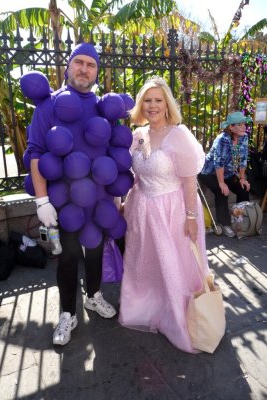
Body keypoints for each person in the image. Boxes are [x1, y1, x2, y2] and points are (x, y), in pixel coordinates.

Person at [27, 43, 118, 347]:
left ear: (96, 71)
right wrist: (41, 201)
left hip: (99, 199)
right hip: (62, 202)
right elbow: (36, 153)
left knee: (94, 250)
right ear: (67, 67)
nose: (83, 69)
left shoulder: (105, 108)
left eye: (90, 65)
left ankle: (93, 296)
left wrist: (115, 196)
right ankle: (68, 313)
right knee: (66, 257)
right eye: (78, 62)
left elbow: (113, 151)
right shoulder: (49, 105)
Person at [118, 76, 209, 353]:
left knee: (173, 264)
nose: (153, 105)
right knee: (145, 264)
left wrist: (192, 217)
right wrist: (121, 203)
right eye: (147, 100)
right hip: (141, 210)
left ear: (167, 104)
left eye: (158, 100)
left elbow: (190, 179)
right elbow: (132, 175)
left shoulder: (178, 135)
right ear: (141, 104)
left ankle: (177, 316)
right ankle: (145, 306)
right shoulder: (138, 135)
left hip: (173, 211)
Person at [198, 111, 251, 237]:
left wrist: (242, 178)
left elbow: (243, 159)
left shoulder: (243, 137)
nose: (244, 127)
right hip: (209, 172)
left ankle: (241, 220)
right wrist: (221, 183)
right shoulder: (222, 139)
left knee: (243, 189)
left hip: (227, 172)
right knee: (222, 191)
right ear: (231, 127)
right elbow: (218, 163)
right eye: (240, 124)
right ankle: (224, 224)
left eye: (244, 124)